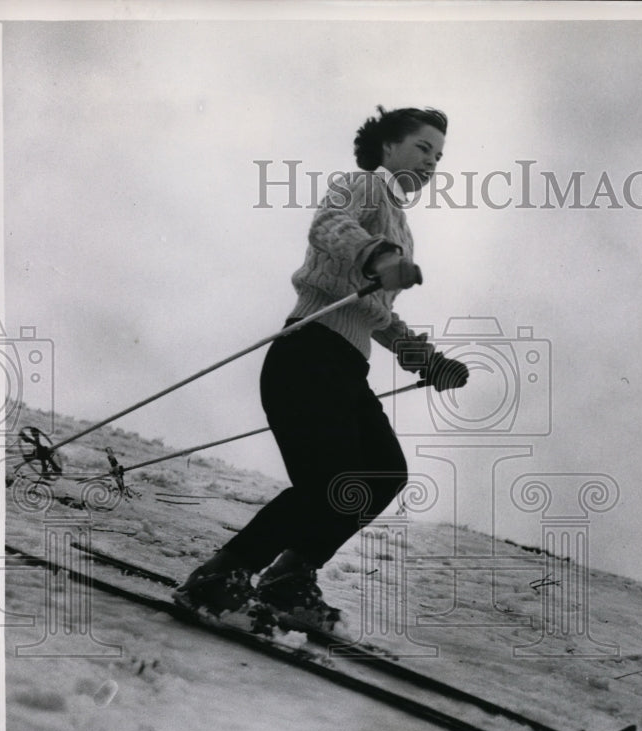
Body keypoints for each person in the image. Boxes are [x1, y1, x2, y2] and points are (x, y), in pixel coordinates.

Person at [175, 105, 469, 626]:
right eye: (423, 148)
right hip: (307, 353)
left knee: (382, 472)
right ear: (387, 147)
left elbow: (373, 312)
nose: (431, 163)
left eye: (438, 156)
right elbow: (329, 225)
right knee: (329, 478)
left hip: (344, 367)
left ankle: (290, 578)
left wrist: (425, 358)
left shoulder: (399, 220)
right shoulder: (364, 185)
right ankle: (222, 574)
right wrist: (379, 256)